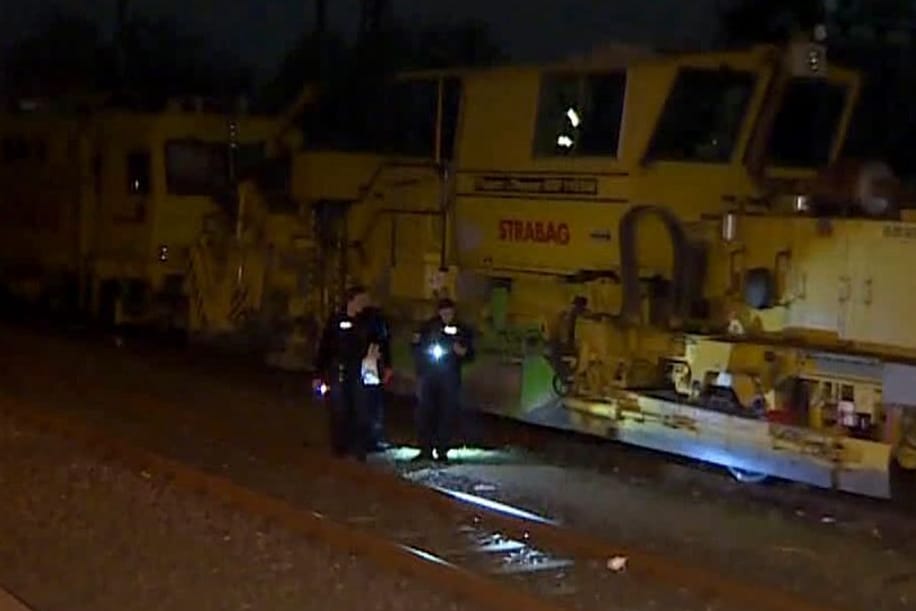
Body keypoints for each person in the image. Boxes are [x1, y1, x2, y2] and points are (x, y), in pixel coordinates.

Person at [313, 285, 374, 461]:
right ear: (352, 301)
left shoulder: (367, 322)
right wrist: (318, 373)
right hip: (338, 370)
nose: (365, 304)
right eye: (362, 300)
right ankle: (340, 447)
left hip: (359, 370)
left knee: (360, 408)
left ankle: (358, 447)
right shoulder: (336, 321)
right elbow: (325, 347)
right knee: (339, 409)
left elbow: (377, 341)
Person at [412, 297, 474, 462]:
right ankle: (425, 449)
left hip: (450, 376)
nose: (447, 316)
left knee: (446, 413)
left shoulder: (461, 329)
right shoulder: (429, 326)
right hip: (430, 375)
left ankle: (442, 450)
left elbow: (469, 352)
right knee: (426, 413)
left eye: (450, 313)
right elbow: (416, 346)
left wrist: (461, 351)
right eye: (444, 313)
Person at [359, 303, 393, 452]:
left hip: (371, 371)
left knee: (371, 406)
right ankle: (369, 439)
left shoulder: (374, 334)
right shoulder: (375, 334)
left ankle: (371, 438)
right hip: (369, 370)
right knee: (371, 406)